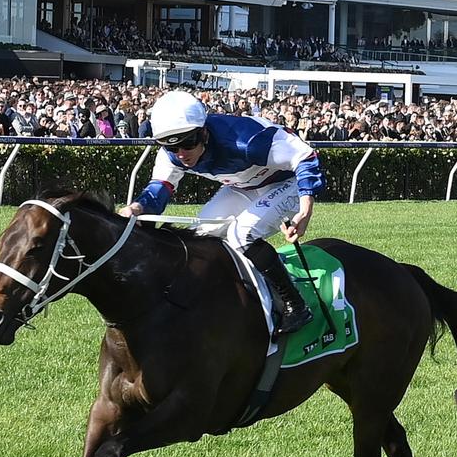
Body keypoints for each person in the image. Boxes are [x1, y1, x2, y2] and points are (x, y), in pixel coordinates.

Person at [118, 90, 322, 334]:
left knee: (241, 234)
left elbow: (306, 157)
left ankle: (295, 305)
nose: (181, 154)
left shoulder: (245, 141)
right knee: (200, 234)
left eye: (188, 143)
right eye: (171, 147)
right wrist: (136, 208)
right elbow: (159, 189)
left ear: (204, 133)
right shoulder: (171, 154)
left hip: (287, 183)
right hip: (244, 185)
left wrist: (306, 209)